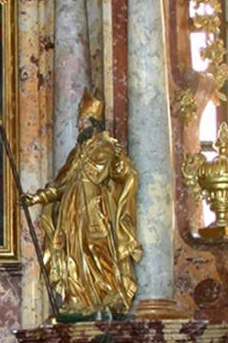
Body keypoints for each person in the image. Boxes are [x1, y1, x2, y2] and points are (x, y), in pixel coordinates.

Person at [24, 90, 142, 317]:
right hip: (72, 212)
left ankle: (105, 294)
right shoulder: (76, 153)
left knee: (96, 249)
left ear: (92, 122)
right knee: (71, 255)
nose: (78, 125)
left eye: (81, 120)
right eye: (79, 120)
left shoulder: (105, 146)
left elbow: (118, 174)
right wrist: (36, 198)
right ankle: (78, 299)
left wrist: (119, 164)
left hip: (95, 209)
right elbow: (60, 184)